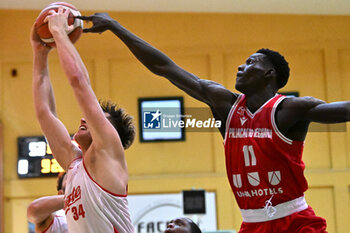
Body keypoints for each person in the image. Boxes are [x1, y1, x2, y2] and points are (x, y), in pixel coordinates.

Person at [77, 13, 350, 233]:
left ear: (269, 74)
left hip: (295, 221)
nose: (241, 67)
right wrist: (115, 26)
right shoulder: (224, 104)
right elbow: (165, 68)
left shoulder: (290, 109)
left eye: (251, 62)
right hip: (252, 223)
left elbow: (343, 111)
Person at [30, 8, 135, 233]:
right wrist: (40, 53)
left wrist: (58, 32)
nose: (84, 119)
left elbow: (79, 82)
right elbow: (44, 112)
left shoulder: (108, 151)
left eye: (96, 120)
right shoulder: (74, 164)